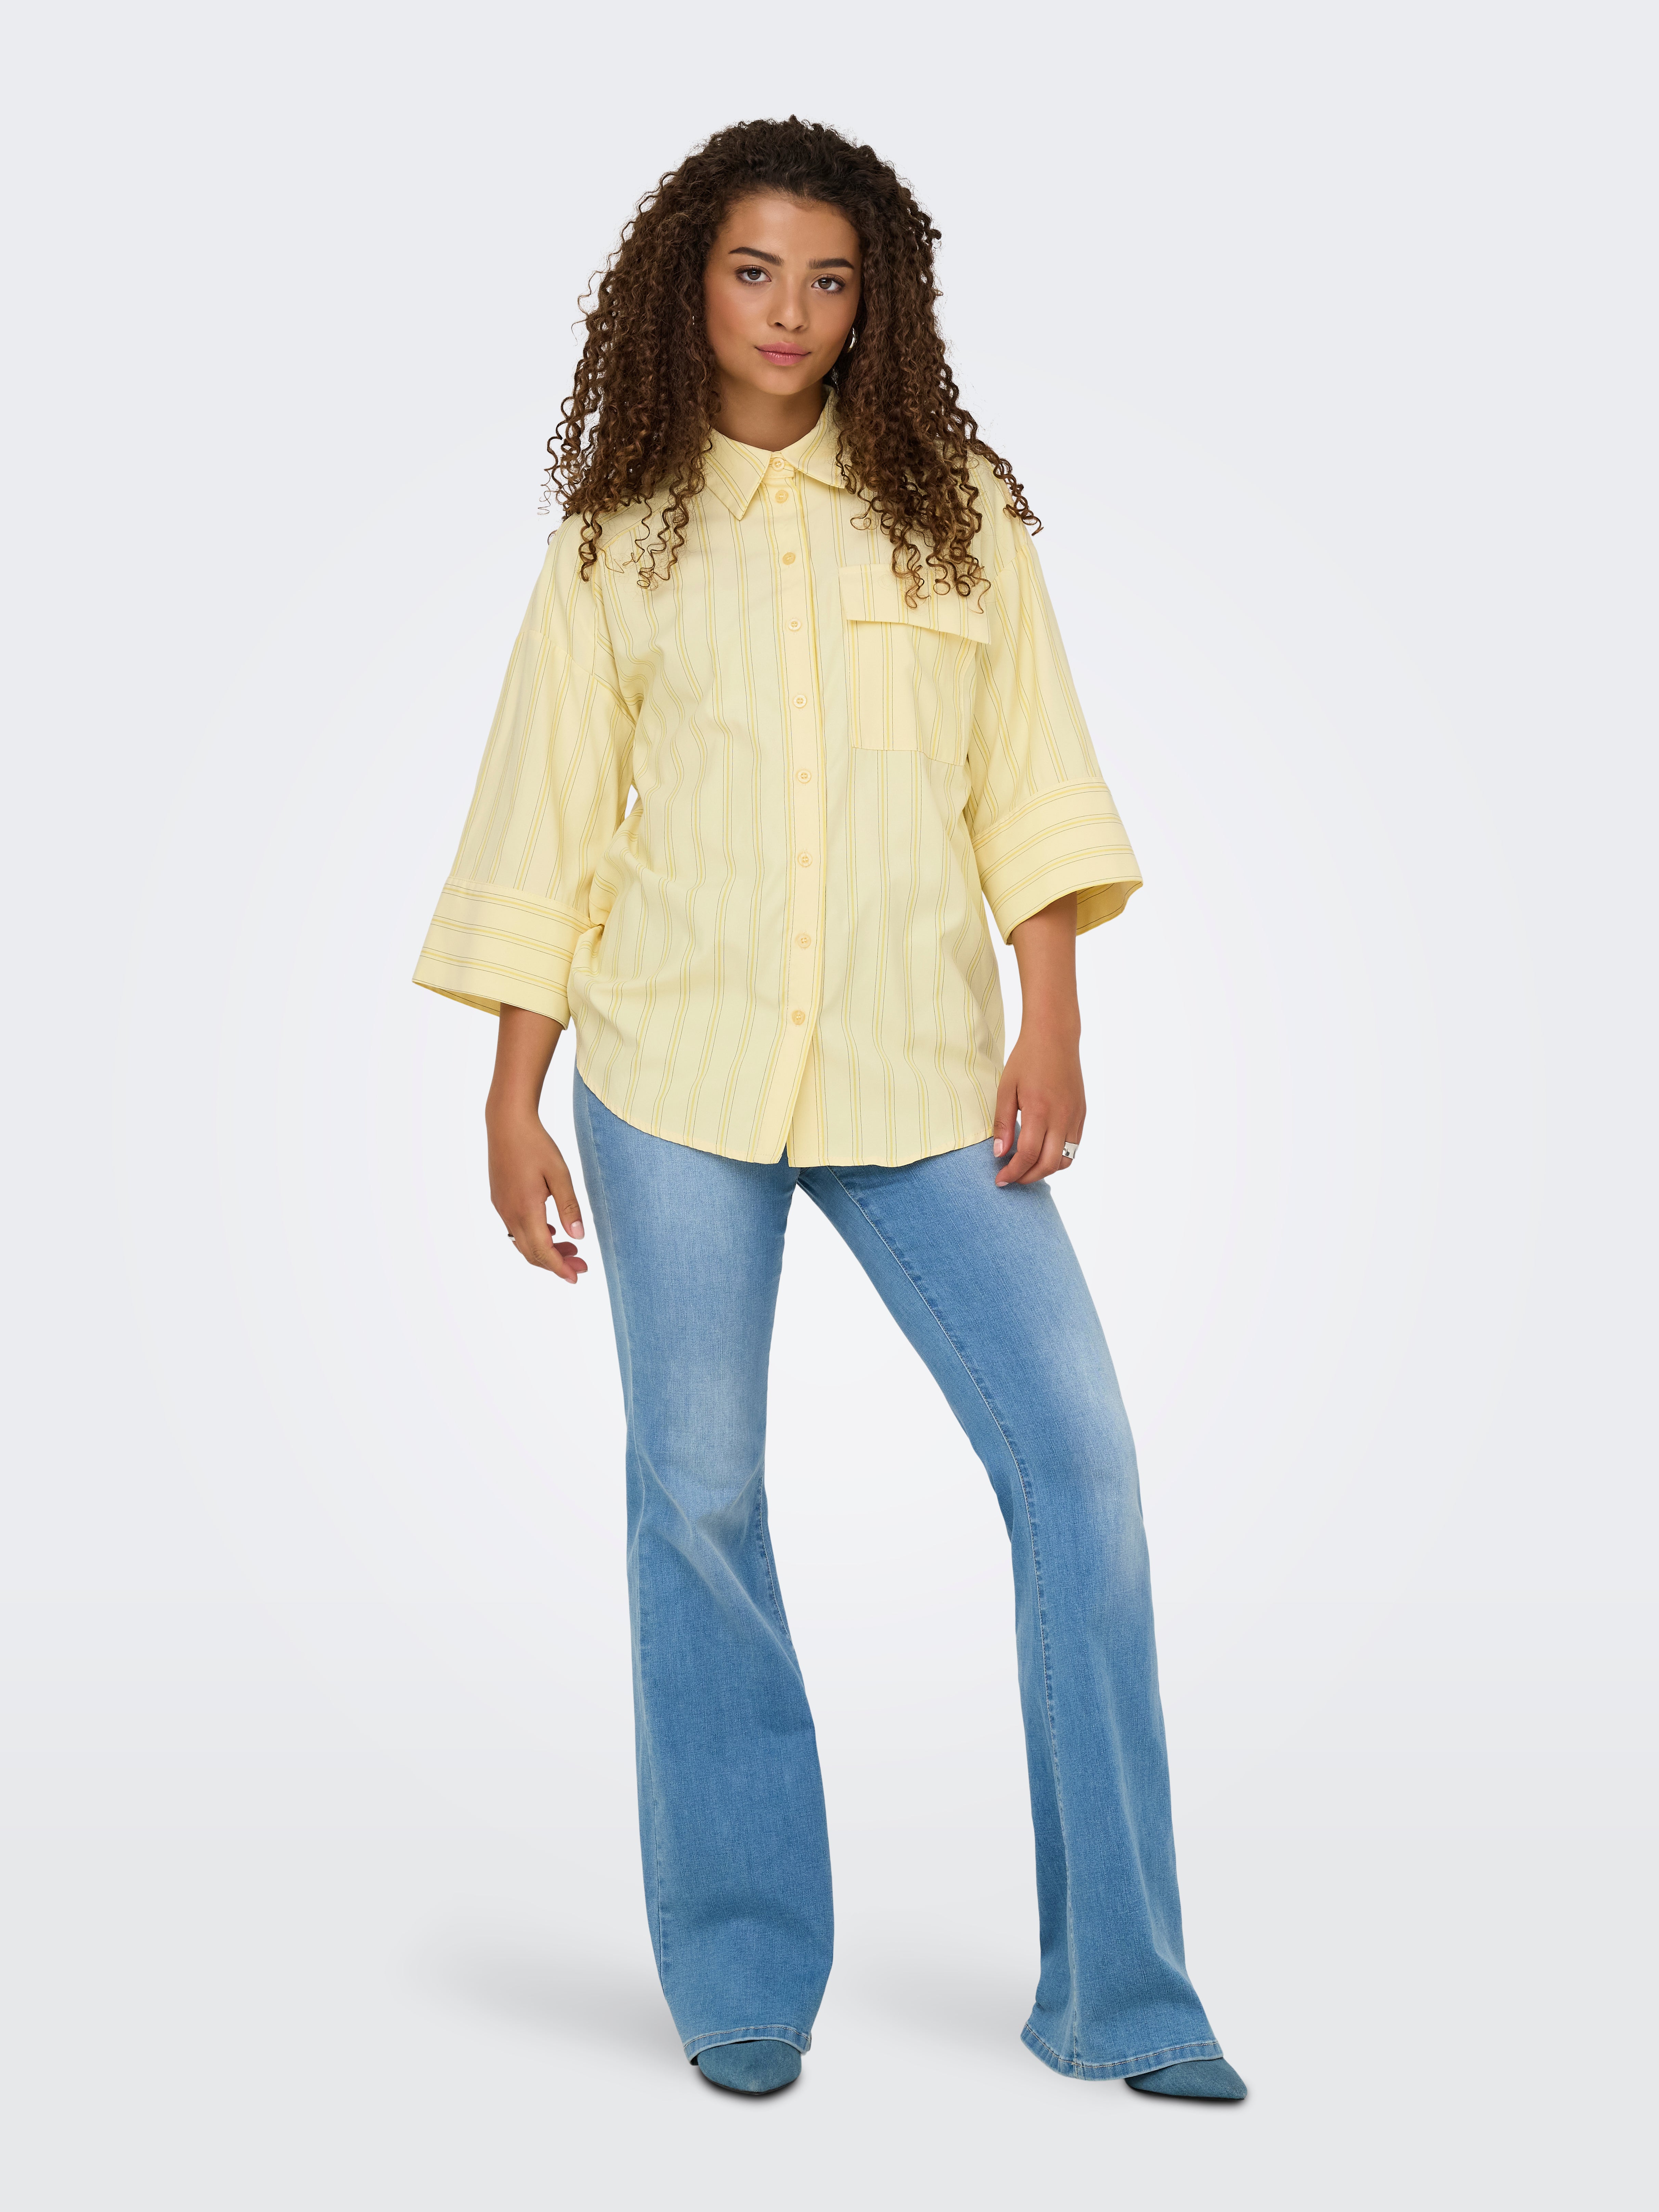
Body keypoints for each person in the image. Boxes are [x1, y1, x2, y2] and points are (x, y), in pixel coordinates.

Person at [413, 116, 1244, 2103]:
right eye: (753, 270)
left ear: (877, 305)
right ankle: (742, 1967)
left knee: (1082, 1470)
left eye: (829, 279)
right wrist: (510, 1101)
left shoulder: (956, 512)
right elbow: (543, 827)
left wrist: (1053, 1020)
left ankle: (1124, 1991)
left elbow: (1028, 779)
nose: (789, 311)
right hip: (670, 1072)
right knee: (696, 1497)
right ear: (687, 285)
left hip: (922, 1068)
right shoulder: (615, 542)